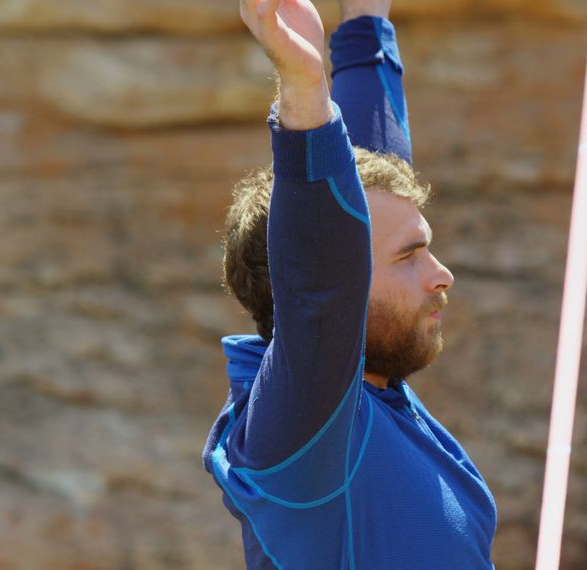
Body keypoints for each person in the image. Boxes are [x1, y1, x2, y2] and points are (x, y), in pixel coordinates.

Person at [201, 0, 497, 568]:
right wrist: (304, 88)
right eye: (410, 257)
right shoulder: (307, 436)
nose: (442, 275)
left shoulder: (374, 385)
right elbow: (323, 276)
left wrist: (365, 23)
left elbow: (373, 184)